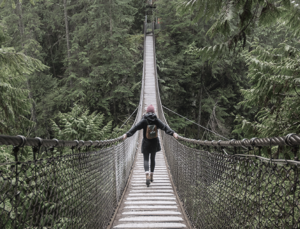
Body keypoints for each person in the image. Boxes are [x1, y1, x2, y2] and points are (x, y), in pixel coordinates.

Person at [123, 104, 178, 187]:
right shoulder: (156, 119)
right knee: (152, 158)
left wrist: (127, 134)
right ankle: (152, 175)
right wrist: (173, 133)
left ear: (147, 112)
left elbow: (136, 127)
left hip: (146, 142)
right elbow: (164, 127)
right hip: (154, 142)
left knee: (146, 159)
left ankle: (147, 174)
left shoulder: (144, 120)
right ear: (154, 112)